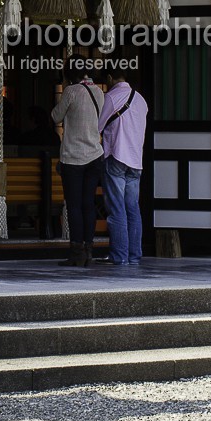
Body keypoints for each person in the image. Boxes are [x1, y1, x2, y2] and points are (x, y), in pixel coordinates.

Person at [51, 57, 104, 267]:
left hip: (73, 156)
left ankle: (76, 251)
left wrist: (64, 89)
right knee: (88, 204)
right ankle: (89, 249)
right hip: (94, 154)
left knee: (74, 205)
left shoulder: (71, 91)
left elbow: (56, 116)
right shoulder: (99, 91)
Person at [98, 65, 148, 268]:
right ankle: (134, 255)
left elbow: (98, 126)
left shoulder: (110, 97)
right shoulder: (141, 100)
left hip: (117, 156)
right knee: (132, 208)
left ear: (110, 77)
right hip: (136, 160)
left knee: (116, 208)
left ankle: (119, 255)